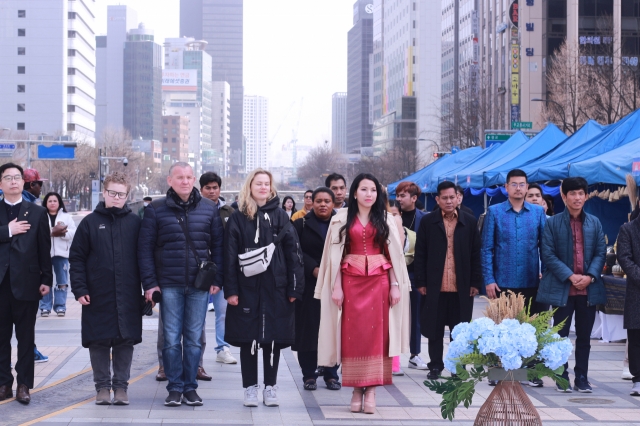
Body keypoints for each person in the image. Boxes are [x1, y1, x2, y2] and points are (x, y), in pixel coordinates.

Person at [315, 173, 410, 414]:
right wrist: (336, 286)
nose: (369, 194)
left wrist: (396, 285)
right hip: (350, 282)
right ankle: (356, 389)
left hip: (380, 283)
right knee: (353, 335)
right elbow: (334, 257)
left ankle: (373, 390)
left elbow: (394, 257)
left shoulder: (387, 219)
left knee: (378, 337)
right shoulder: (340, 219)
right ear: (354, 192)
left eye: (373, 190)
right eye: (364, 189)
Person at [138, 162, 224, 407]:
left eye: (188, 177)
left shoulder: (209, 209)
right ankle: (175, 387)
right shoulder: (155, 209)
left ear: (194, 179)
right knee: (172, 338)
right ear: (170, 181)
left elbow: (218, 247)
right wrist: (150, 284)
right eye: (179, 177)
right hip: (169, 285)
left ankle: (191, 387)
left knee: (195, 338)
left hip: (199, 285)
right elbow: (144, 249)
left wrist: (217, 280)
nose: (185, 181)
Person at [223, 168, 304, 407]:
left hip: (276, 287)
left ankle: (270, 387)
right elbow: (229, 255)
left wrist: (294, 289)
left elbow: (294, 254)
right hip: (246, 287)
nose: (262, 187)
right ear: (250, 186)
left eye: (266, 184)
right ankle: (250, 388)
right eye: (258, 183)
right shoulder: (238, 217)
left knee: (272, 339)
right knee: (248, 339)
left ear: (271, 187)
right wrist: (232, 290)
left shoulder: (280, 216)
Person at [70, 172, 142, 405]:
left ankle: (121, 387)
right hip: (96, 292)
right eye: (112, 193)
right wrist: (79, 289)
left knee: (125, 340)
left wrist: (149, 289)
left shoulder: (135, 223)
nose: (116, 198)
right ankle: (102, 388)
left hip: (128, 292)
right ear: (104, 193)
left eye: (121, 194)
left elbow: (146, 258)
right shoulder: (90, 222)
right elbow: (77, 258)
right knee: (98, 340)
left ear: (127, 195)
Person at [537, 177, 606, 393]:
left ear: (586, 196)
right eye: (572, 194)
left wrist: (590, 275)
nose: (577, 198)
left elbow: (600, 252)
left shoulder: (594, 222)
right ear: (564, 197)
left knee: (584, 337)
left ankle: (582, 377)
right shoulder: (552, 223)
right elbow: (547, 253)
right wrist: (569, 275)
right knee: (560, 335)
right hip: (562, 289)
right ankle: (561, 375)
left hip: (588, 289)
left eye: (581, 193)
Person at [481, 169, 547, 387]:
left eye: (522, 184)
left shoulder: (537, 213)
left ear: (527, 187)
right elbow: (487, 248)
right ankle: (497, 371)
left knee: (531, 328)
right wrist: (489, 279)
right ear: (505, 187)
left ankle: (531, 372)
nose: (518, 188)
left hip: (531, 280)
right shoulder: (495, 212)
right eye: (514, 184)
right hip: (503, 280)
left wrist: (545, 273)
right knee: (500, 328)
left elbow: (545, 248)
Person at [414, 181, 482, 379]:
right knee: (434, 329)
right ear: (437, 199)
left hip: (461, 286)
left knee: (459, 330)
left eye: (452, 197)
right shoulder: (428, 222)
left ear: (458, 198)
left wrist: (475, 282)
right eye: (444, 198)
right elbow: (420, 254)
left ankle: (457, 368)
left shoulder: (469, 222)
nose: (449, 201)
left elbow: (476, 254)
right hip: (435, 286)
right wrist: (421, 282)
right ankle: (435, 365)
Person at [0, 163, 52, 404]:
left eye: (17, 178)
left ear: (23, 182)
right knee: (0, 338)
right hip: (1, 285)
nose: (13, 181)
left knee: (25, 338)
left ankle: (23, 385)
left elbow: (44, 249)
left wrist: (46, 279)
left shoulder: (37, 212)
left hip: (28, 283)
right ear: (0, 183)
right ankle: (3, 383)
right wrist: (7, 231)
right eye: (8, 178)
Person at [292, 187, 340, 391]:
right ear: (311, 202)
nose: (322, 204)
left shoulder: (341, 224)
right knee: (308, 330)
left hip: (336, 283)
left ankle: (331, 374)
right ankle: (309, 375)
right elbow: (295, 251)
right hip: (309, 285)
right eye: (318, 200)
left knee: (333, 329)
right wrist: (313, 268)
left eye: (326, 201)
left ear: (333, 203)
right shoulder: (300, 224)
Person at [198, 172, 237, 364]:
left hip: (223, 269)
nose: (212, 191)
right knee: (197, 314)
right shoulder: (194, 209)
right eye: (208, 188)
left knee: (222, 312)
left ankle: (222, 348)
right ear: (201, 190)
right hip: (198, 270)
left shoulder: (229, 212)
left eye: (215, 188)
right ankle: (196, 351)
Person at [395, 181, 429, 371]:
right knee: (393, 315)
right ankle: (392, 358)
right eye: (398, 195)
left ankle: (415, 354)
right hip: (394, 273)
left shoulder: (424, 219)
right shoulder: (392, 217)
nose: (399, 199)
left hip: (416, 273)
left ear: (414, 198)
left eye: (403, 196)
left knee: (415, 315)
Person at [39, 192, 76, 317]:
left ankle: (60, 306)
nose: (52, 203)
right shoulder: (40, 216)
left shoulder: (66, 217)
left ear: (59, 202)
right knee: (45, 280)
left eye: (55, 201)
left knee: (62, 281)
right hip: (45, 254)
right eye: (50, 201)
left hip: (62, 254)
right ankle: (45, 306)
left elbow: (73, 233)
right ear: (46, 203)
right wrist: (51, 232)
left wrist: (62, 233)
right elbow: (37, 233)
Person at [617, 210, 640, 396]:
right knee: (636, 338)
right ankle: (638, 379)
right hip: (637, 290)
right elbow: (624, 257)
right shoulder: (628, 229)